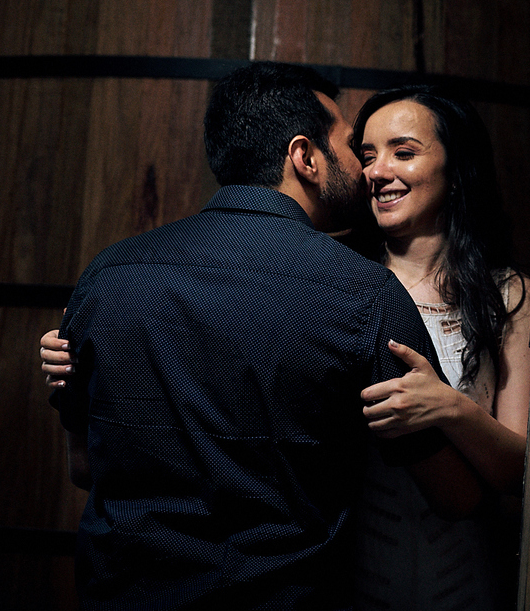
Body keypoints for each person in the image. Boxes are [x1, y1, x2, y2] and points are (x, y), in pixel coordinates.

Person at [45, 63, 481, 609]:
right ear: (305, 158)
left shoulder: (107, 276)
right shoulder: (364, 293)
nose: (366, 169)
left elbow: (85, 469)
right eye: (352, 146)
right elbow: (455, 494)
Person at [344, 86, 530, 611]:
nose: (378, 171)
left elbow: (520, 468)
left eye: (403, 152)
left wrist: (449, 407)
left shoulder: (507, 293)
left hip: (470, 578)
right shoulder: (337, 284)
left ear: (456, 170)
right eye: (367, 156)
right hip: (352, 576)